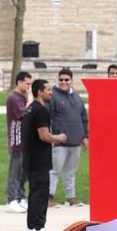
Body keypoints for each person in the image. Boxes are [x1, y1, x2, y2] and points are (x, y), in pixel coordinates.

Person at [22, 80, 67, 231]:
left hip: (29, 158)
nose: (51, 92)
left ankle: (31, 228)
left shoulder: (29, 109)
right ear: (39, 92)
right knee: (41, 194)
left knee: (34, 193)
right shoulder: (41, 111)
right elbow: (44, 135)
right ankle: (39, 227)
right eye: (48, 90)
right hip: (39, 160)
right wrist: (59, 138)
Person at [48, 68, 88, 207]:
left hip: (76, 141)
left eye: (66, 80)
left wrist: (84, 136)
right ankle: (48, 197)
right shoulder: (53, 96)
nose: (63, 82)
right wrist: (52, 137)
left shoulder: (77, 97)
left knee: (71, 171)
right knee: (54, 170)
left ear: (71, 81)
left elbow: (84, 117)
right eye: (61, 80)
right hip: (59, 142)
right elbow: (49, 118)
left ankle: (71, 197)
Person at [5, 70, 32, 213]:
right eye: (27, 84)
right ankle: (11, 199)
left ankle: (21, 197)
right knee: (15, 171)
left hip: (26, 139)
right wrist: (30, 98)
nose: (29, 87)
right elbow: (24, 114)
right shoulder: (14, 98)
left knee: (24, 171)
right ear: (19, 82)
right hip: (17, 139)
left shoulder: (21, 97)